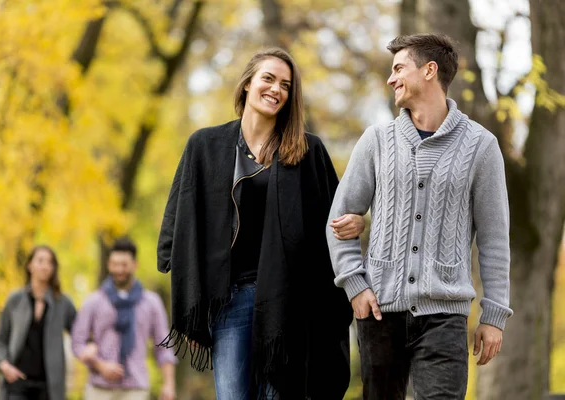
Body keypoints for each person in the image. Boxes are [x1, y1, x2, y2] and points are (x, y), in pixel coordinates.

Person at [157, 47, 364, 400]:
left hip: (289, 302)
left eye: (286, 84)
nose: (276, 89)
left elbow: (336, 219)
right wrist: (193, 300)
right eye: (268, 79)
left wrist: (357, 221)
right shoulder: (206, 146)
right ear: (247, 85)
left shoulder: (307, 152)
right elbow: (178, 227)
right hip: (232, 299)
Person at [326, 33, 513, 399]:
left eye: (399, 68)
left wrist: (494, 315)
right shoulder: (376, 141)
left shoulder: (481, 146)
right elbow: (340, 220)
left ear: (430, 71)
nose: (391, 79)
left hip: (445, 316)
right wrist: (355, 285)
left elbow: (494, 238)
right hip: (379, 313)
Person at [71, 238, 177, 400]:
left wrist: (169, 384)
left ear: (135, 265)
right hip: (99, 388)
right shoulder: (94, 301)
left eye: (124, 264)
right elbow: (77, 343)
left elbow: (164, 346)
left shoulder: (151, 302)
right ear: (109, 265)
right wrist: (100, 365)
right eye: (115, 264)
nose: (119, 269)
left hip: (136, 389)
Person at [0, 245, 77, 400]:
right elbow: (0, 340)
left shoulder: (62, 303)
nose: (45, 266)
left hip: (49, 387)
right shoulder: (15, 300)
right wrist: (4, 365)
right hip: (16, 382)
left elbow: (80, 333)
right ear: (30, 265)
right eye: (40, 261)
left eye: (50, 262)